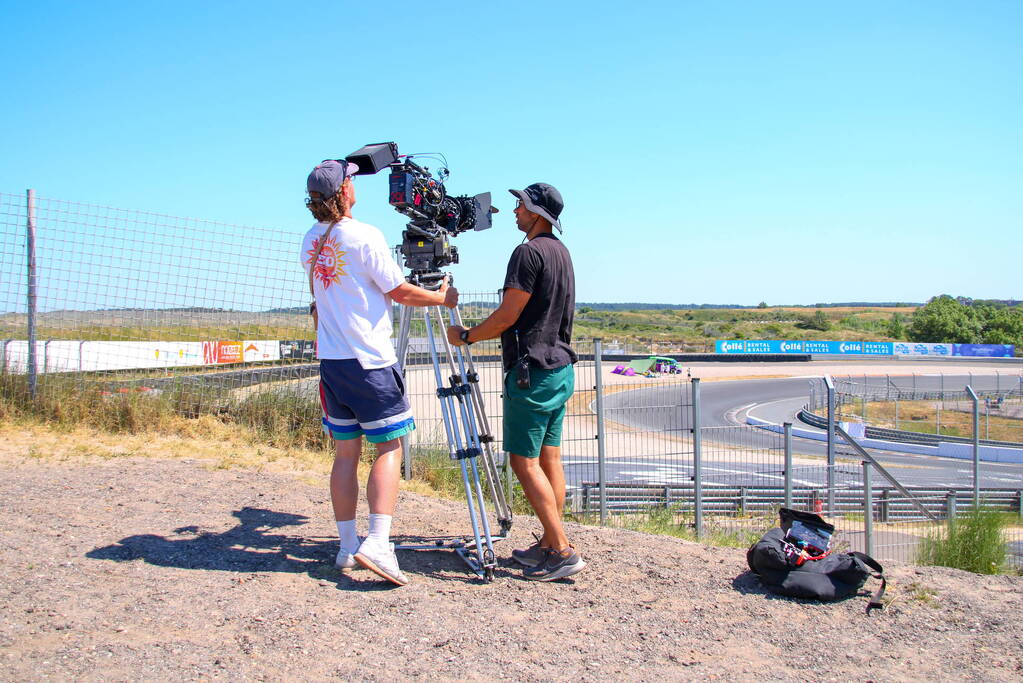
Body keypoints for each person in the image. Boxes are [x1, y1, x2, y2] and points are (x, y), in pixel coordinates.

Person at [302, 159, 457, 586]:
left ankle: (347, 546)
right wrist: (440, 297)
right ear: (343, 193)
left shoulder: (311, 240)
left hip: (332, 363)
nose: (355, 183)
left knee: (345, 454)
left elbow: (319, 302)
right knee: (389, 449)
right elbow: (398, 290)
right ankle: (379, 542)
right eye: (350, 180)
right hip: (369, 361)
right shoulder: (365, 236)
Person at [447, 182, 583, 581]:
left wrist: (467, 335)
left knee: (524, 463)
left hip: (531, 374)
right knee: (549, 459)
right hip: (559, 368)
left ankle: (560, 549)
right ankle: (548, 541)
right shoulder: (561, 251)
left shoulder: (527, 252)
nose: (514, 212)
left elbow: (508, 316)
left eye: (520, 205)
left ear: (537, 213)